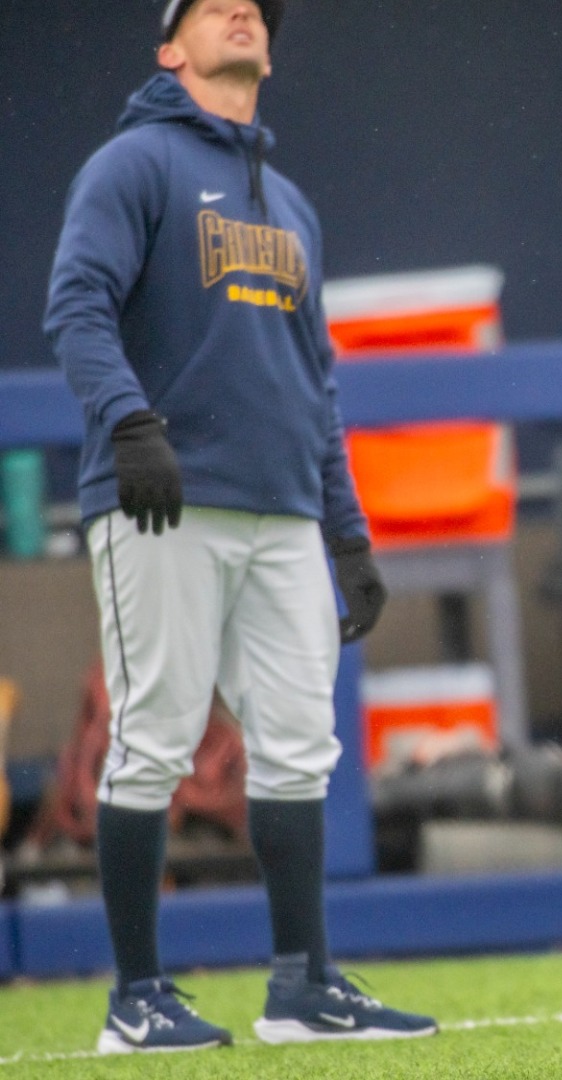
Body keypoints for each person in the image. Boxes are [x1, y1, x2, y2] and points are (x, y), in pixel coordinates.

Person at [45, 0, 436, 1052]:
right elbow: (75, 306)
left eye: (255, 7)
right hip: (160, 498)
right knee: (154, 739)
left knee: (300, 749)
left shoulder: (294, 204)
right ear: (170, 48)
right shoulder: (132, 165)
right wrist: (129, 423)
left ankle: (301, 990)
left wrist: (346, 532)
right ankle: (136, 1000)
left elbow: (315, 382)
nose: (241, 11)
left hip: (284, 513)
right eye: (212, 4)